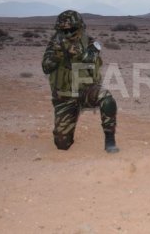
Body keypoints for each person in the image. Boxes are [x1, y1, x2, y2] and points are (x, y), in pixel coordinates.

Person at [41, 10, 119, 153]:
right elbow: (46, 68)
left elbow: (91, 59)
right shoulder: (55, 43)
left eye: (72, 29)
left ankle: (110, 139)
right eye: (64, 30)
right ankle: (71, 119)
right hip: (64, 96)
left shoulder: (89, 42)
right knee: (62, 144)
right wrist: (59, 55)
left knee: (107, 98)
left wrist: (78, 53)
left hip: (86, 91)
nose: (68, 33)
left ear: (79, 27)